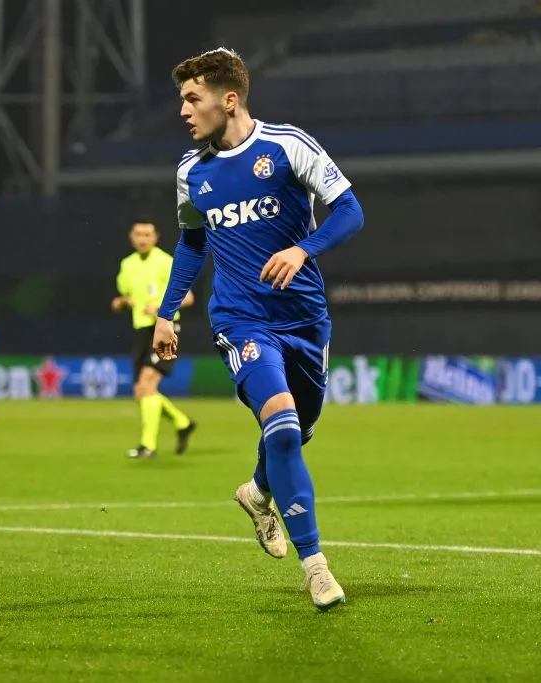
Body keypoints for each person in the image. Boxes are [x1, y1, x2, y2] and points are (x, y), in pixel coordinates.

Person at [153, 48, 364, 610]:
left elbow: (349, 210)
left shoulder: (287, 145)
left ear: (229, 100)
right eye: (181, 100)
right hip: (241, 321)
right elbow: (192, 242)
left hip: (304, 318)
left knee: (301, 428)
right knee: (286, 428)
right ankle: (316, 566)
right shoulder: (190, 172)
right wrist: (166, 312)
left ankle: (258, 491)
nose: (183, 111)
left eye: (192, 99)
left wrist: (303, 248)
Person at [111, 219, 197, 459]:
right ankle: (182, 422)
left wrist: (161, 307)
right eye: (138, 234)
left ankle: (147, 446)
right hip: (142, 331)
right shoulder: (127, 265)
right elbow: (128, 296)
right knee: (141, 391)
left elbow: (188, 298)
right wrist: (122, 303)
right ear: (131, 236)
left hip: (165, 330)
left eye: (147, 234)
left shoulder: (166, 262)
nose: (142, 239)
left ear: (155, 237)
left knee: (147, 386)